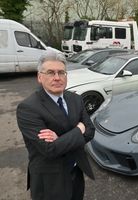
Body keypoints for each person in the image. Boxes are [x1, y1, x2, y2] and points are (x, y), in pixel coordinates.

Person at [16, 51, 95, 200]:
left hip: (76, 170)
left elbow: (90, 131)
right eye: (51, 72)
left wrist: (60, 139)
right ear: (40, 77)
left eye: (61, 72)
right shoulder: (28, 108)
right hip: (50, 180)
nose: (57, 78)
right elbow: (49, 149)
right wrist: (79, 129)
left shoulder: (75, 99)